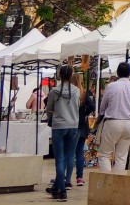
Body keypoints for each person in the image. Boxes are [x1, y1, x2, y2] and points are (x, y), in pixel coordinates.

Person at [45, 64, 81, 200]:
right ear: (71, 75)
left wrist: (51, 118)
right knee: (70, 155)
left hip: (59, 125)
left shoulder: (54, 91)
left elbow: (49, 109)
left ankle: (61, 190)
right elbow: (77, 106)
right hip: (73, 124)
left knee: (59, 158)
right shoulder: (76, 91)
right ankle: (63, 184)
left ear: (59, 75)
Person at [97, 61, 130, 173]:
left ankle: (107, 183)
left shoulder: (111, 86)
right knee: (121, 157)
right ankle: (117, 183)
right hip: (129, 123)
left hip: (113, 122)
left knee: (104, 155)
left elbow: (102, 107)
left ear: (118, 73)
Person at [74, 76, 95, 186]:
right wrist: (85, 114)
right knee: (79, 153)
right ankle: (80, 177)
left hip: (73, 124)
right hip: (83, 125)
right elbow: (92, 106)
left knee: (69, 152)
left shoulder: (72, 92)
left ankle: (65, 178)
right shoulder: (84, 93)